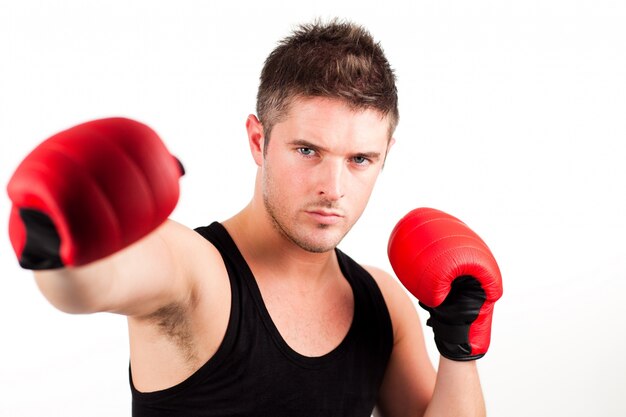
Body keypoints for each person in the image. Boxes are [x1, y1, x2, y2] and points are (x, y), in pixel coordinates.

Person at [7, 20, 502, 417]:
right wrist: (57, 233)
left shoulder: (383, 303)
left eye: (359, 160)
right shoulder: (197, 272)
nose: (334, 187)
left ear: (385, 155)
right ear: (258, 140)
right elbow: (89, 284)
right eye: (308, 150)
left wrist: (460, 349)